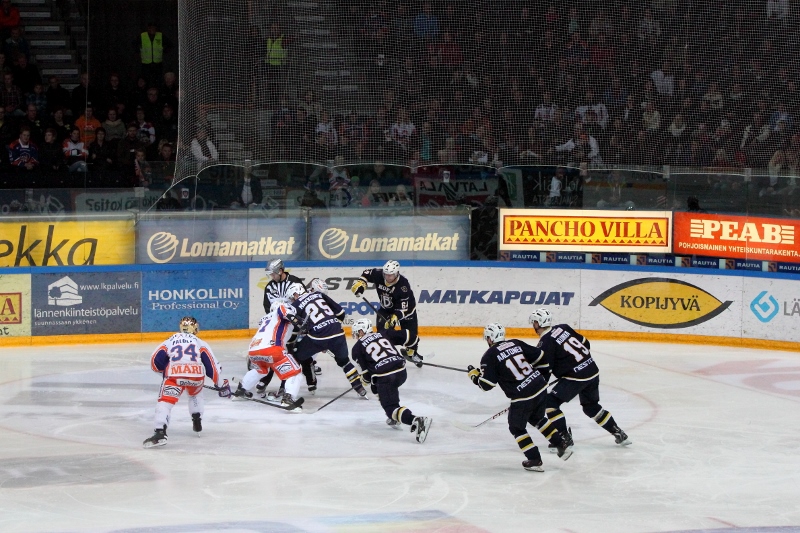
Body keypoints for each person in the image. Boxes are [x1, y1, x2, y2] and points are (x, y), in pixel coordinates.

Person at [467, 323, 573, 471]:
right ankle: (561, 445)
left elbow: (486, 385)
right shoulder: (515, 343)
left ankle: (534, 459)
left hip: (523, 396)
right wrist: (539, 378)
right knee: (538, 419)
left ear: (490, 339)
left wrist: (474, 376)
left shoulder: (489, 355)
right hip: (540, 386)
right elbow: (541, 356)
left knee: (516, 427)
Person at [528, 308, 631, 448]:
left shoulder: (545, 342)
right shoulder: (563, 327)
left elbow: (546, 370)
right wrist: (574, 363)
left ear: (538, 323)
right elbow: (586, 343)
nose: (533, 325)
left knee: (550, 403)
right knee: (591, 407)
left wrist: (536, 389)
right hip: (592, 370)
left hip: (576, 377)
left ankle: (564, 438)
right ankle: (618, 432)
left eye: (534, 322)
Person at [143, 317, 230, 448]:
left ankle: (160, 432)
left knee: (166, 402)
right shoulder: (200, 342)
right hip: (196, 376)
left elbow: (155, 361)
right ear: (195, 328)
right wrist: (220, 384)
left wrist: (166, 373)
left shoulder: (170, 340)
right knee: (195, 395)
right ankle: (197, 420)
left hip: (174, 375)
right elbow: (213, 367)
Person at [351, 318, 432, 443]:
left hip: (386, 376)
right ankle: (394, 417)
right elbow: (410, 335)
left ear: (362, 331)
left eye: (357, 333)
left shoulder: (357, 348)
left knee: (390, 406)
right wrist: (411, 350)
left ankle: (415, 420)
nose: (357, 336)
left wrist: (363, 380)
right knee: (376, 386)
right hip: (401, 371)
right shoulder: (384, 333)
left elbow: (367, 375)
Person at [289, 282, 368, 398]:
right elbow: (340, 312)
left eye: (292, 297)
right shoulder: (318, 294)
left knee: (297, 356)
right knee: (344, 361)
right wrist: (330, 328)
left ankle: (307, 382)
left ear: (296, 294)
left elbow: (297, 328)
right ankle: (359, 387)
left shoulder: (296, 305)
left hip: (317, 337)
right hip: (338, 333)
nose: (292, 300)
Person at [233, 302, 304, 411]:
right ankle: (288, 399)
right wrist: (299, 321)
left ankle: (240, 391)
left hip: (253, 350)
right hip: (272, 349)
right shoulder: (281, 310)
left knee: (261, 371)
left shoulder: (264, 319)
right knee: (295, 373)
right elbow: (283, 311)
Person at [351, 260, 423, 366]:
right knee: (383, 334)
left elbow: (404, 308)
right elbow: (366, 273)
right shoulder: (379, 274)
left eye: (391, 275)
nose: (388, 277)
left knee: (411, 336)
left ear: (397, 273)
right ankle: (386, 355)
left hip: (407, 312)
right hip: (385, 310)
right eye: (386, 274)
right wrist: (361, 283)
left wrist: (395, 317)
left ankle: (411, 353)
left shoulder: (403, 285)